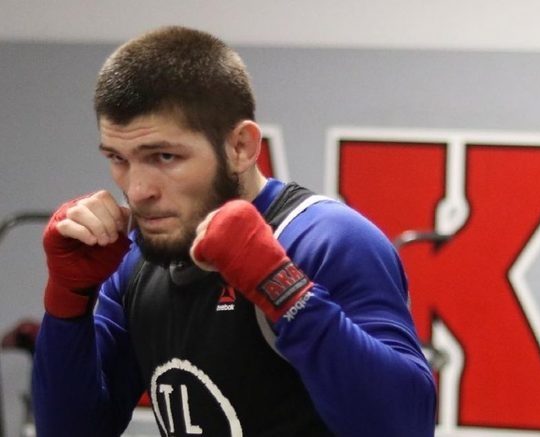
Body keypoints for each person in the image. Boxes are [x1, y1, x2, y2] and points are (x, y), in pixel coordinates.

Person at [31, 26, 436, 437]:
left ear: (240, 146)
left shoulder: (326, 240)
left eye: (164, 156)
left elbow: (406, 428)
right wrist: (67, 301)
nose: (137, 190)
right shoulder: (138, 262)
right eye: (119, 158)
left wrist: (281, 286)